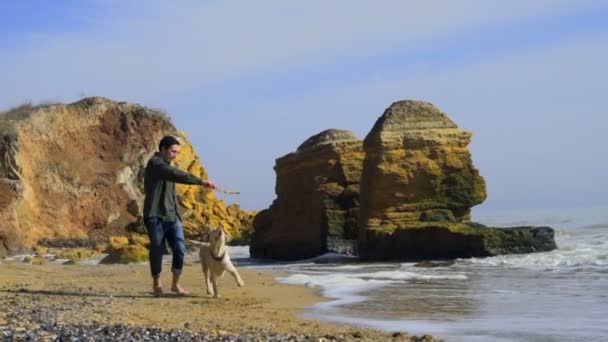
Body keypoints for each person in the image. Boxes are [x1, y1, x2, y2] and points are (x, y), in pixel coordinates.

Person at [143, 135, 215, 297]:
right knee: (157, 248)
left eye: (177, 152)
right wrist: (200, 181)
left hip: (172, 215)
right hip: (155, 214)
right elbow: (175, 174)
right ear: (162, 149)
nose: (175, 155)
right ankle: (157, 284)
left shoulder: (166, 165)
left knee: (180, 248)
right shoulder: (156, 164)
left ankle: (175, 284)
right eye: (173, 152)